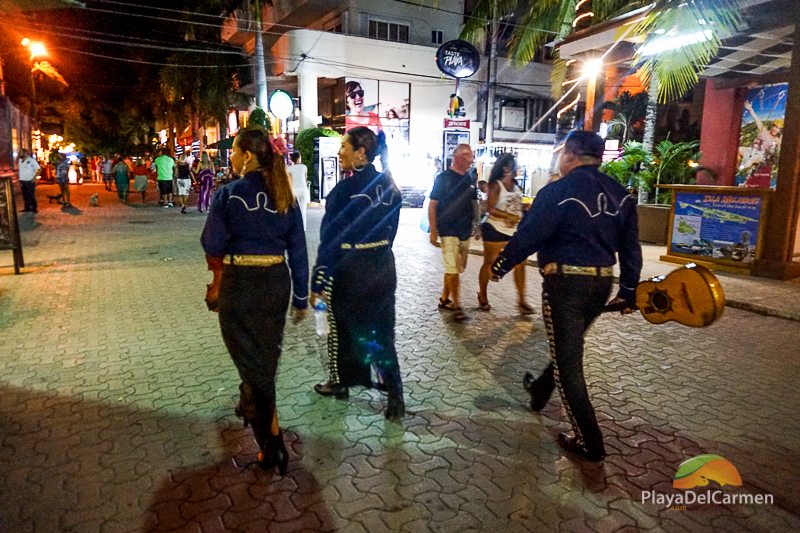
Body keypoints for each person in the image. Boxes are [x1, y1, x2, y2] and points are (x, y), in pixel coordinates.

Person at [490, 131, 642, 462]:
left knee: (569, 364)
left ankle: (590, 441)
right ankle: (539, 391)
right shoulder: (621, 195)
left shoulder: (558, 191)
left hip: (565, 285)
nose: (560, 159)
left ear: (571, 155)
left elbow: (530, 233)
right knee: (567, 345)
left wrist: (501, 264)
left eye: (562, 153)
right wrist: (629, 290)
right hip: (601, 284)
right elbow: (631, 248)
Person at [201, 126, 308, 475]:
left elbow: (212, 243)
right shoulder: (284, 195)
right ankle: (260, 420)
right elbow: (299, 249)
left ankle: (272, 443)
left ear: (247, 156)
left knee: (254, 367)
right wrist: (302, 296)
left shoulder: (229, 195)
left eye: (233, 150)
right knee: (263, 360)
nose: (229, 156)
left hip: (241, 286)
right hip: (276, 284)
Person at [311, 126, 405, 421]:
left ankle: (340, 382)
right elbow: (393, 232)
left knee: (340, 329)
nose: (340, 153)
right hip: (382, 266)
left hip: (351, 270)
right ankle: (395, 395)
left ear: (361, 153)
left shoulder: (343, 191)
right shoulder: (390, 187)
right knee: (382, 332)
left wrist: (319, 280)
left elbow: (330, 240)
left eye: (344, 147)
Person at [478, 153, 533, 314]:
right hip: (495, 229)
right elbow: (489, 208)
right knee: (489, 263)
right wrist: (507, 215)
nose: (518, 169)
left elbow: (515, 204)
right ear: (506, 168)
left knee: (520, 264)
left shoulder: (516, 185)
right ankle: (482, 294)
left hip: (514, 231)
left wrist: (523, 208)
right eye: (515, 166)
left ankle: (521, 300)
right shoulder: (496, 185)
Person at [428, 143, 476, 322]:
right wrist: (433, 231)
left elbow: (473, 203)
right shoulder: (443, 178)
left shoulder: (469, 179)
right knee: (453, 268)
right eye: (464, 155)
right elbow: (433, 205)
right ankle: (457, 305)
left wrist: (477, 224)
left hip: (465, 230)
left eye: (470, 155)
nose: (468, 159)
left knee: (457, 268)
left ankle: (444, 299)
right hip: (448, 230)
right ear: (455, 156)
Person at [740, 99, 782, 188]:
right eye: (775, 127)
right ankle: (742, 172)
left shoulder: (778, 140)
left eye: (778, 128)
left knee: (752, 159)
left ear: (780, 130)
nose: (775, 129)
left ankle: (744, 167)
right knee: (739, 150)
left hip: (762, 156)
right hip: (752, 150)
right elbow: (757, 119)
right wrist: (750, 109)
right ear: (772, 126)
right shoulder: (764, 131)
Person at [286, 151, 308, 229]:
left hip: (294, 191)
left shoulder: (289, 168)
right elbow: (305, 177)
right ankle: (303, 228)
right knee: (303, 210)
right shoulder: (304, 167)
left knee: (294, 211)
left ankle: (295, 227)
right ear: (298, 158)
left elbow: (290, 181)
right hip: (303, 190)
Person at [17, 149, 41, 213]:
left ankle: (34, 208)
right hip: (22, 180)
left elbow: (39, 169)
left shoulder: (31, 160)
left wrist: (34, 178)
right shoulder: (20, 160)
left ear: (25, 153)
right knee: (25, 195)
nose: (19, 154)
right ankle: (27, 207)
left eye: (21, 152)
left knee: (31, 195)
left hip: (29, 180)